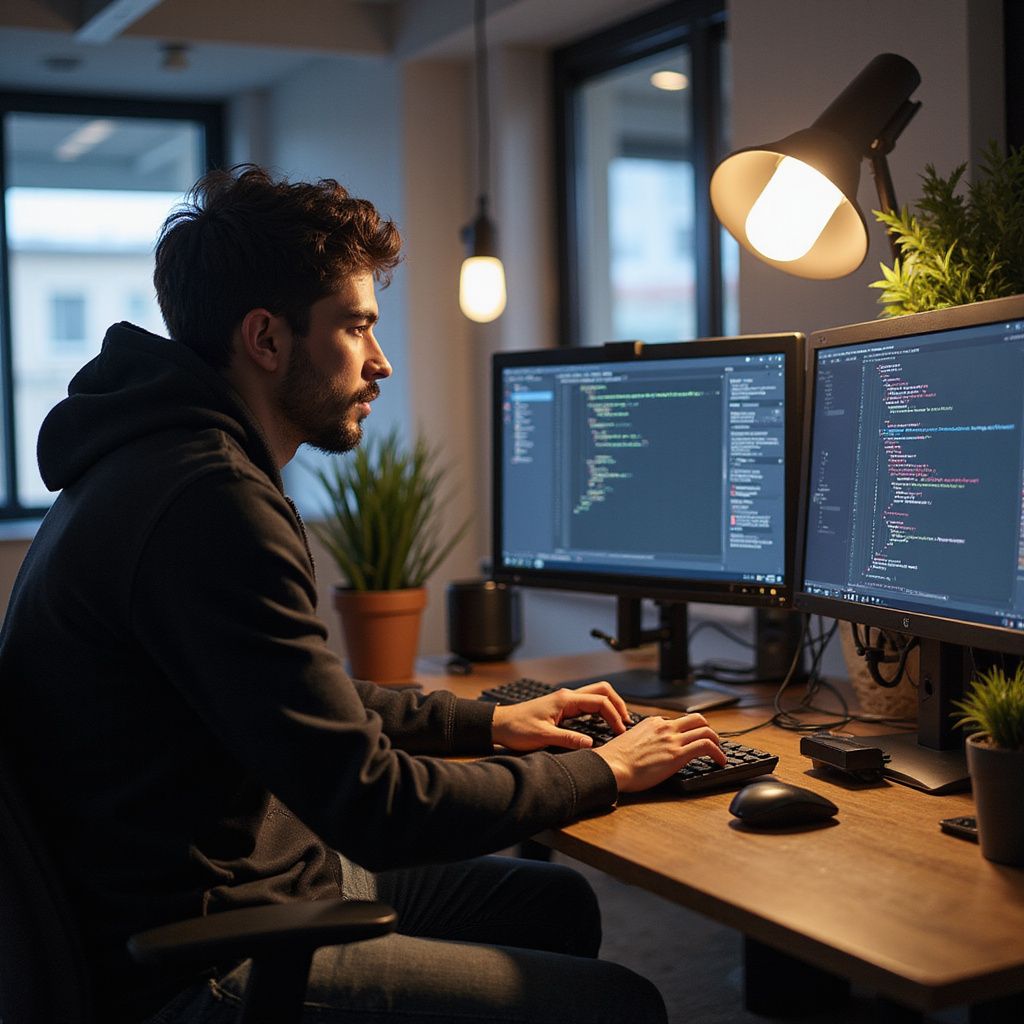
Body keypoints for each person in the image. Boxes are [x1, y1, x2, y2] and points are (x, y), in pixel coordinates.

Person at [0, 165, 727, 1024]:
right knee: (620, 1004)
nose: (380, 362)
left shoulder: (158, 460)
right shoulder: (208, 501)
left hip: (257, 871)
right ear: (266, 339)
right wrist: (600, 769)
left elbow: (303, 703)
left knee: (552, 902)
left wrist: (486, 722)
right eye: (355, 327)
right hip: (202, 949)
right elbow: (375, 804)